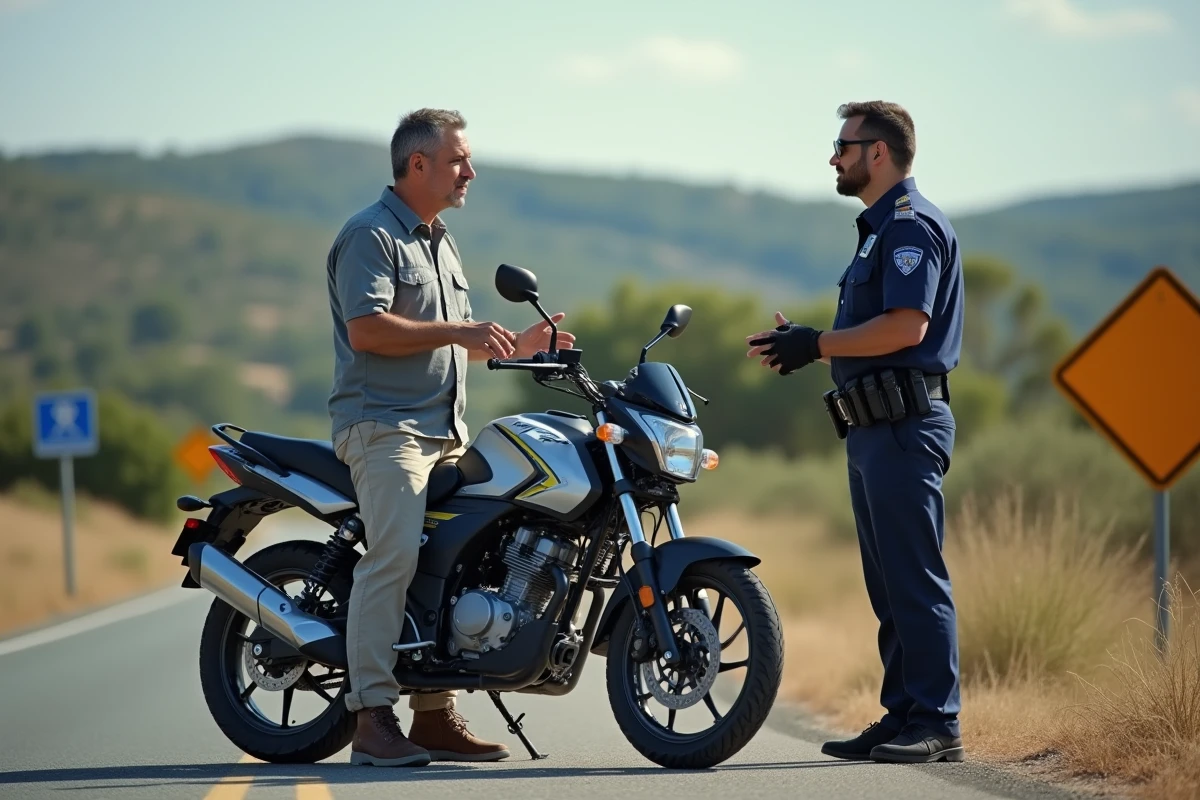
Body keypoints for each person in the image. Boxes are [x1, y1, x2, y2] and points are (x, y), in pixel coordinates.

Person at [326, 108, 576, 767]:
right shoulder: (370, 235)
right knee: (396, 555)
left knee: (471, 553)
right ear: (417, 166)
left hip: (444, 434)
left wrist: (518, 346)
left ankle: (433, 716)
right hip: (385, 432)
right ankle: (372, 718)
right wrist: (460, 333)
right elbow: (368, 330)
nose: (471, 170)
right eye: (458, 159)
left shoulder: (440, 241)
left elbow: (453, 343)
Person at [745, 100, 965, 764]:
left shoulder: (908, 227)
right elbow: (870, 334)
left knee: (915, 578)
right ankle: (903, 716)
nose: (834, 156)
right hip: (874, 427)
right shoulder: (878, 231)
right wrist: (810, 341)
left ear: (879, 152)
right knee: (889, 584)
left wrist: (816, 344)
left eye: (844, 145)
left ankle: (936, 723)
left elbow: (907, 328)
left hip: (903, 425)